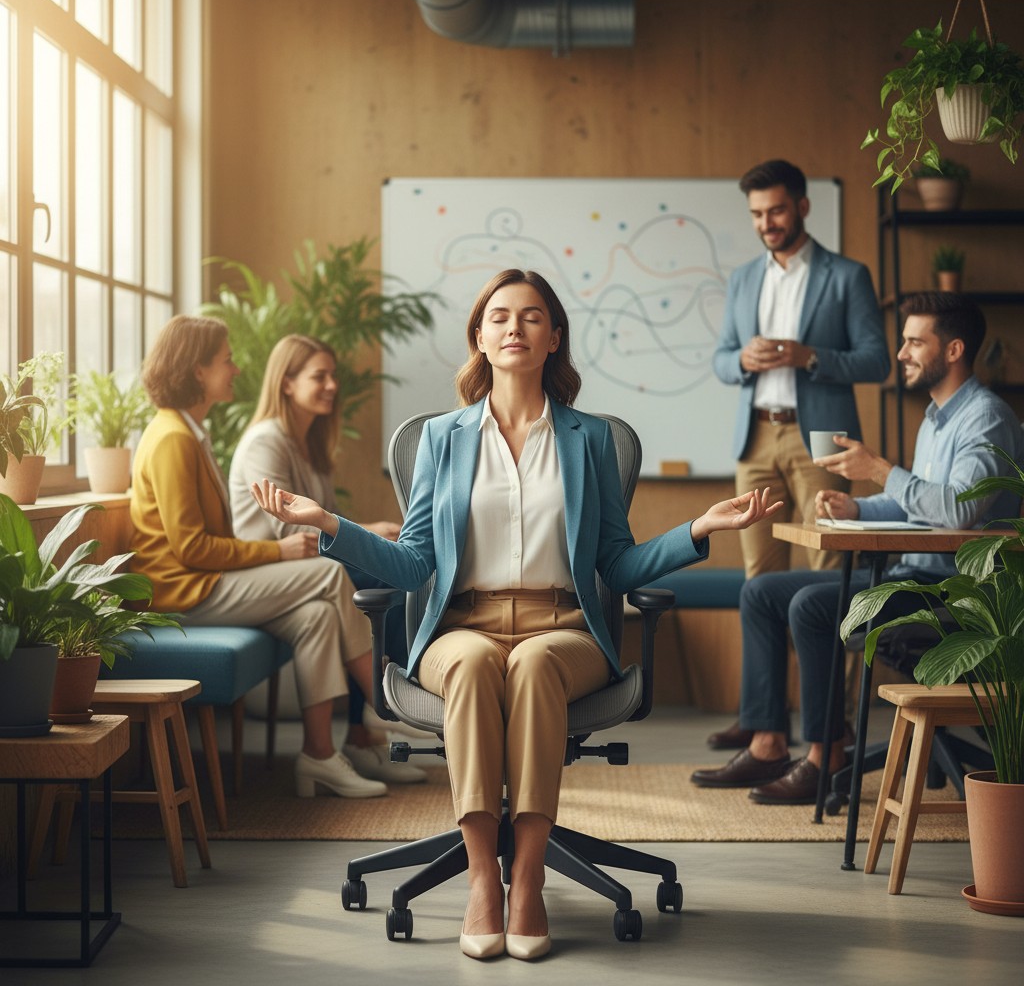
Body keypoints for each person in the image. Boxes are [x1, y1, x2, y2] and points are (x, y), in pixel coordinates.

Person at [250, 268, 781, 961]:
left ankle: (526, 881)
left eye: (532, 317)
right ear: (479, 336)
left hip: (563, 629)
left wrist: (699, 528)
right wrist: (329, 524)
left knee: (532, 662)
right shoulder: (442, 438)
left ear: (554, 337)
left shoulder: (590, 439)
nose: (514, 328)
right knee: (473, 662)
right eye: (499, 317)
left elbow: (618, 566)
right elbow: (412, 565)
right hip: (460, 627)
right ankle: (482, 882)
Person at [693, 292, 1024, 804]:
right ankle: (767, 744)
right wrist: (857, 508)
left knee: (812, 607)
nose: (901, 353)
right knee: (761, 592)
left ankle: (826, 755)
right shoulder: (937, 417)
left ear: (954, 349)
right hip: (913, 576)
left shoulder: (985, 418)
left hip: (953, 591)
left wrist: (880, 470)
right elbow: (919, 504)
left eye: (914, 342)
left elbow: (957, 510)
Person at [130, 315, 393, 801]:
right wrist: (277, 550)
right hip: (182, 594)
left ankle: (319, 756)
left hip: (202, 584)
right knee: (329, 576)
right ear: (197, 370)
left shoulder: (188, 433)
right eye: (226, 361)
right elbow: (190, 548)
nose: (235, 370)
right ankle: (388, 704)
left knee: (316, 616)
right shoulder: (172, 439)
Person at [709, 158, 890, 752]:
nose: (768, 223)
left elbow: (876, 360)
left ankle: (830, 725)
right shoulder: (743, 279)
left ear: (803, 207)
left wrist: (807, 355)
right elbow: (720, 358)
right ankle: (764, 721)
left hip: (821, 441)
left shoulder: (847, 275)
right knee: (759, 581)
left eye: (778, 210)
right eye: (758, 214)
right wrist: (742, 361)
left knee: (829, 579)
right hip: (756, 437)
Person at [228, 333, 425, 785]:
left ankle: (362, 734)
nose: (332, 385)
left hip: (306, 564)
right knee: (382, 578)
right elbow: (286, 530)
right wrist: (367, 534)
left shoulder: (309, 443)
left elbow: (322, 518)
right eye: (320, 376)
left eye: (333, 376)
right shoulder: (265, 442)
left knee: (379, 573)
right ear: (287, 383)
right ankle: (384, 700)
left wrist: (366, 532)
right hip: (272, 569)